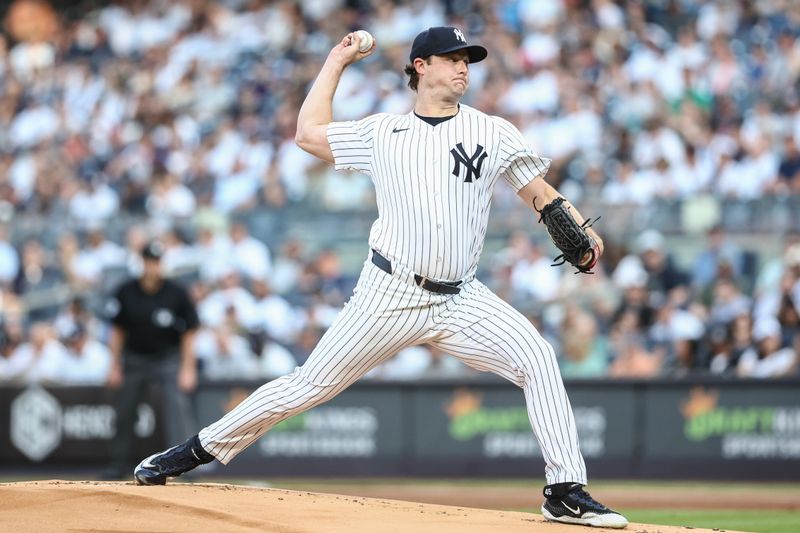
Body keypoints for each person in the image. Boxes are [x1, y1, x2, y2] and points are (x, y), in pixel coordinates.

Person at [133, 27, 628, 529]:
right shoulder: (382, 133)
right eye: (451, 58)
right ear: (420, 66)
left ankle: (565, 490)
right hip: (388, 293)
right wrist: (336, 61)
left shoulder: (493, 131)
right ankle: (191, 452)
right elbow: (307, 134)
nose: (463, 67)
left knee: (538, 357)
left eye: (467, 59)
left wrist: (576, 225)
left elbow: (539, 193)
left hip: (461, 298)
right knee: (308, 386)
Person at [105, 240, 200, 479]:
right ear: (142, 263)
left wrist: (188, 368)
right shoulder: (126, 291)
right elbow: (117, 331)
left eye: (157, 262)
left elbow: (190, 332)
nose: (153, 267)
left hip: (167, 359)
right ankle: (118, 464)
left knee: (177, 406)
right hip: (135, 359)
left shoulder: (176, 293)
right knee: (124, 409)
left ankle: (185, 465)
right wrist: (114, 365)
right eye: (149, 261)